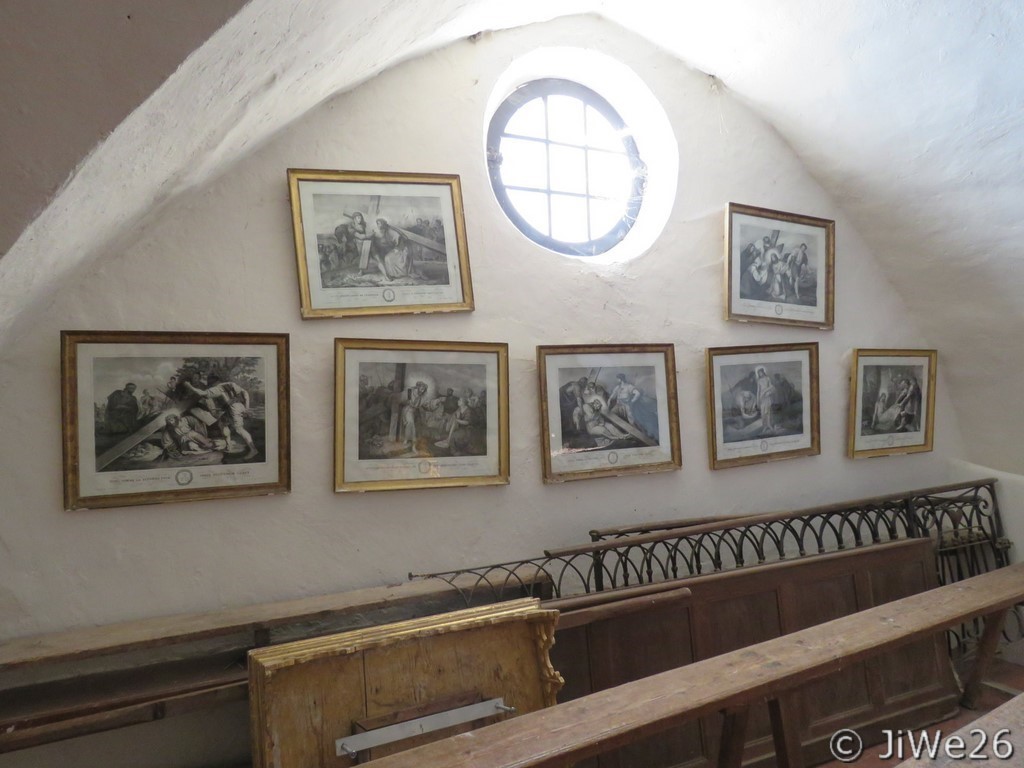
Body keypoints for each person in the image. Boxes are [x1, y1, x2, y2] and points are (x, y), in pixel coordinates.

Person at [184, 374, 258, 459]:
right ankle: (228, 446)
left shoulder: (216, 389)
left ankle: (253, 450)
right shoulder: (230, 384)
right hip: (238, 406)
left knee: (239, 429)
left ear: (212, 383)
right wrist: (246, 408)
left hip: (233, 408)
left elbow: (201, 393)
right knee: (222, 424)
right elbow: (245, 393)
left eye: (210, 384)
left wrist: (189, 386)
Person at [755, 366, 776, 434]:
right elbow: (758, 391)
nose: (760, 374)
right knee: (763, 413)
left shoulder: (767, 378)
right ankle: (765, 426)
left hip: (767, 397)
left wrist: (766, 392)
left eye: (761, 372)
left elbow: (772, 386)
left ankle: (769, 425)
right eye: (759, 373)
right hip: (761, 398)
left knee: (768, 412)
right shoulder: (759, 381)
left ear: (763, 372)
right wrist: (758, 400)